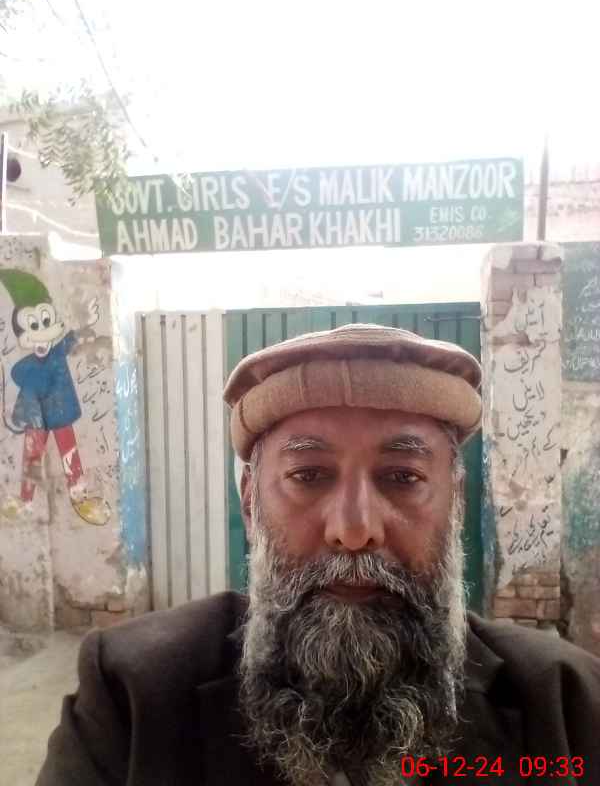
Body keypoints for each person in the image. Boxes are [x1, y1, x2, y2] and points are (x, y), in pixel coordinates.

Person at [36, 324, 600, 786]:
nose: (353, 531)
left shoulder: (565, 707)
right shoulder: (134, 699)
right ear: (251, 502)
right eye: (308, 475)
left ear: (454, 500)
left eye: (402, 477)